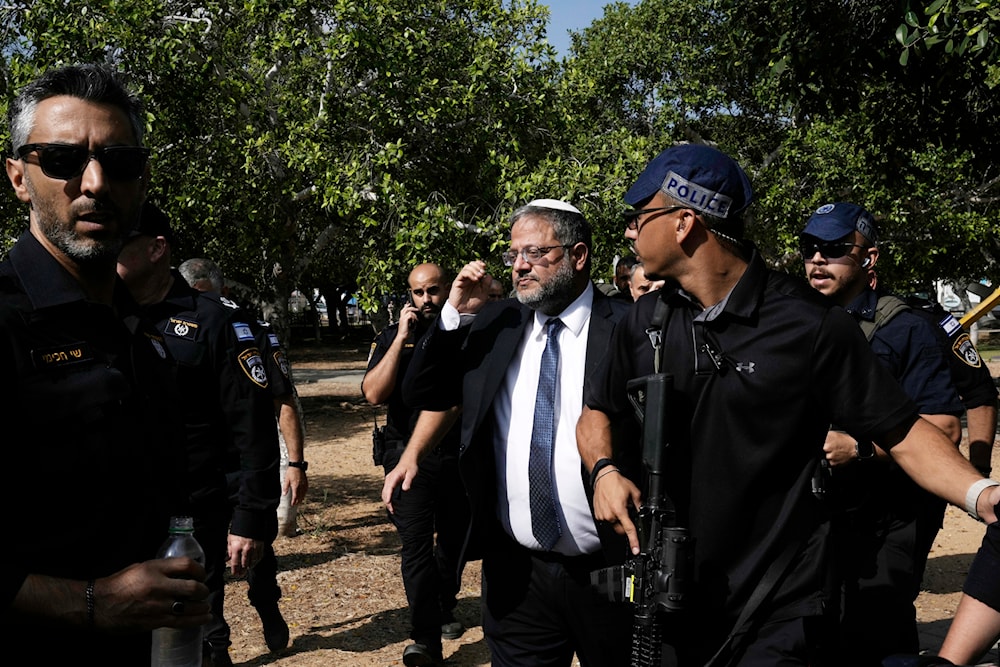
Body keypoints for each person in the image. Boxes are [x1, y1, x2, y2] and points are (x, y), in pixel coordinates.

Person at [576, 143, 1000, 666]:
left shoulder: (811, 325)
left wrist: (981, 495)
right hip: (674, 599)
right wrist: (603, 470)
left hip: (779, 607)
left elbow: (902, 431)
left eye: (641, 216)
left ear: (684, 222)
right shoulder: (644, 322)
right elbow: (595, 409)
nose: (629, 231)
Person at [2, 63, 210, 663]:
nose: (94, 182)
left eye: (119, 162)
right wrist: (93, 602)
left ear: (141, 180)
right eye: (63, 160)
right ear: (19, 176)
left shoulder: (139, 324)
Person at [395, 199, 635, 667]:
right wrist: (453, 317)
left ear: (578, 255)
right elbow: (421, 389)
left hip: (609, 569)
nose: (520, 265)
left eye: (536, 253)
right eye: (513, 255)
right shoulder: (498, 322)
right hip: (516, 572)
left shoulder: (627, 327)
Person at [800, 202, 964, 664]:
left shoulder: (907, 328)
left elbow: (945, 427)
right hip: (820, 512)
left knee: (878, 628)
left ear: (868, 258)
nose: (816, 259)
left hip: (889, 514)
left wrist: (860, 449)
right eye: (809, 248)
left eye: (832, 249)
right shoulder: (796, 319)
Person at [117, 203, 281, 667]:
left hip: (194, 508)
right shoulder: (101, 313)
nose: (108, 253)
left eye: (121, 245)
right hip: (124, 506)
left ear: (156, 249)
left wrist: (251, 517)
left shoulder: (215, 321)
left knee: (193, 623)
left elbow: (253, 427)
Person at [178, 255, 307, 652]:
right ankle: (216, 646)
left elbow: (282, 398)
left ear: (224, 292)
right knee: (206, 565)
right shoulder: (172, 329)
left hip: (247, 465)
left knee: (257, 552)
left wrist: (296, 463)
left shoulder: (253, 329)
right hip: (197, 468)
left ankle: (268, 608)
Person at [363, 263, 470, 667]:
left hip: (457, 455)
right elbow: (373, 393)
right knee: (416, 546)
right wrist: (400, 338)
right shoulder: (393, 337)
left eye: (434, 291)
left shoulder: (466, 332)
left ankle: (444, 600)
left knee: (456, 540)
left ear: (447, 289)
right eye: (418, 293)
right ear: (409, 295)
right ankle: (424, 638)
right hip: (405, 457)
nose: (427, 300)